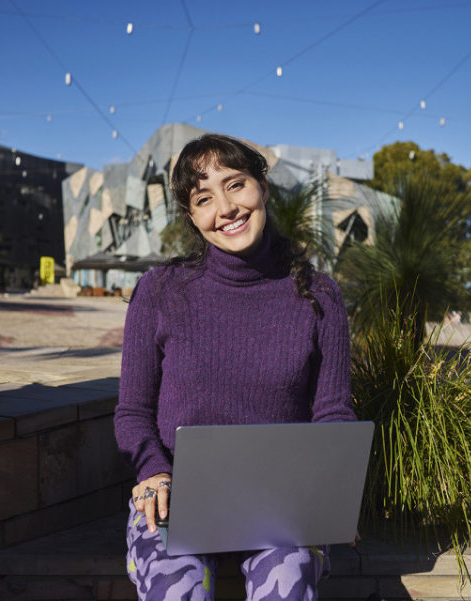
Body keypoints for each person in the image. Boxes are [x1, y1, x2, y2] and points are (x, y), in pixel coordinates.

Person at [113, 133, 357, 600]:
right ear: (192, 216)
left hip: (284, 503)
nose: (226, 208)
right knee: (174, 588)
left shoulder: (318, 296)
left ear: (263, 186)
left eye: (236, 184)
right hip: (176, 497)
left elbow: (332, 413)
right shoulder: (160, 291)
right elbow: (133, 413)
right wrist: (153, 472)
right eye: (204, 198)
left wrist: (333, 496)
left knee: (287, 581)